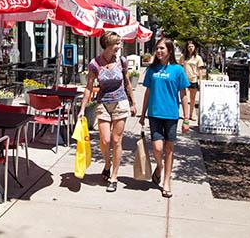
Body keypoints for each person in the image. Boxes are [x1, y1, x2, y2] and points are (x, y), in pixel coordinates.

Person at [78, 31, 136, 192]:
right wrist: (83, 108)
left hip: (120, 102)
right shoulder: (95, 64)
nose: (119, 46)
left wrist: (133, 102)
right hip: (103, 103)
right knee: (105, 140)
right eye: (117, 43)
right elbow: (89, 87)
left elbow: (127, 83)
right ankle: (107, 164)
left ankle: (114, 177)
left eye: (119, 43)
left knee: (117, 140)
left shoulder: (122, 61)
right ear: (108, 45)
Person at [139, 38, 189, 198]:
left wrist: (186, 119)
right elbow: (147, 92)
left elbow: (184, 95)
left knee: (169, 149)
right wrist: (142, 113)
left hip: (171, 115)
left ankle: (166, 181)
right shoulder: (152, 70)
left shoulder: (178, 70)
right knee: (157, 148)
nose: (158, 51)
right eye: (157, 49)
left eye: (162, 48)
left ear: (169, 50)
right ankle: (159, 167)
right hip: (154, 114)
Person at [179, 41, 205, 121]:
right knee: (184, 98)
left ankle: (191, 114)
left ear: (195, 48)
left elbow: (200, 70)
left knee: (192, 99)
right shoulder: (183, 57)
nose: (190, 48)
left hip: (193, 80)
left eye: (192, 46)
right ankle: (185, 115)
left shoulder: (198, 58)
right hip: (185, 80)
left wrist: (200, 81)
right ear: (187, 48)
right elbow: (179, 67)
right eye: (189, 46)